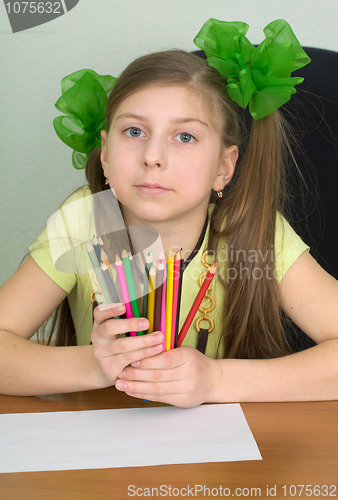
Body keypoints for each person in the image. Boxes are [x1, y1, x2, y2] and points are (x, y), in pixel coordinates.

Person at [0, 19, 337, 406]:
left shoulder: (255, 231)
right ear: (105, 154)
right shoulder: (83, 220)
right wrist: (93, 365)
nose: (153, 157)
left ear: (223, 168)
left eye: (185, 137)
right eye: (134, 132)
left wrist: (217, 380)